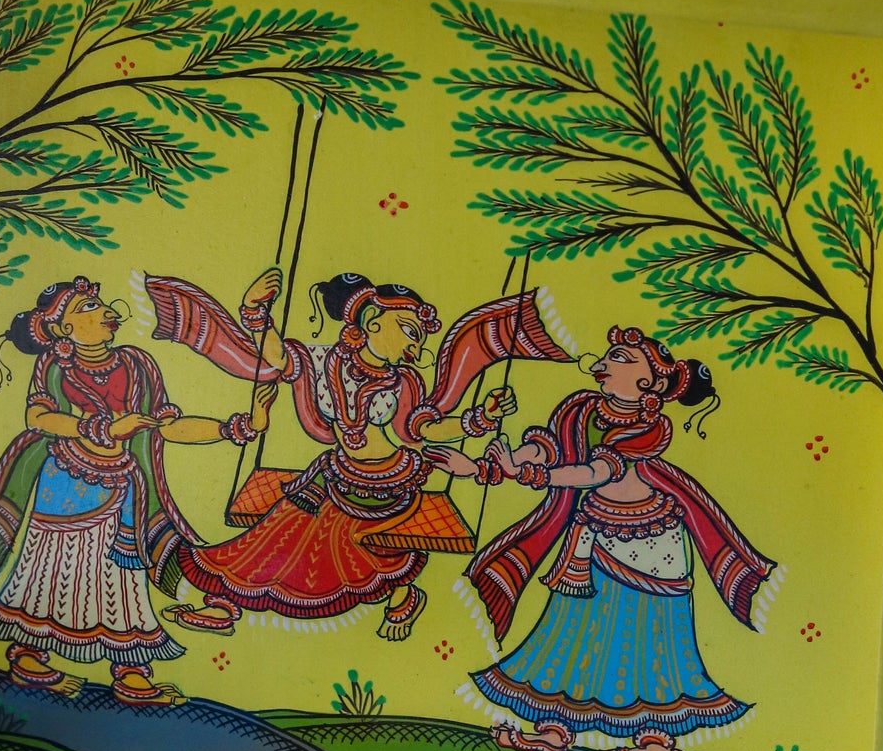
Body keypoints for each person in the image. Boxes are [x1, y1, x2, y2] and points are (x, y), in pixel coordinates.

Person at [142, 266, 566, 640]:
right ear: (375, 321)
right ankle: (225, 605)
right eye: (410, 332)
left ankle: (400, 591)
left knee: (340, 540)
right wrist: (257, 314)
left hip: (387, 480)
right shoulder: (321, 362)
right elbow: (273, 359)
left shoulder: (403, 383)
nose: (416, 349)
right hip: (333, 474)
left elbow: (424, 429)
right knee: (273, 529)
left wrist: (480, 418)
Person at [434, 326, 776, 751]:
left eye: (623, 357)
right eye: (612, 353)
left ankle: (655, 743)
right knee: (570, 630)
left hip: (649, 544)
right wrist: (502, 464)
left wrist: (532, 477)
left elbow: (596, 471)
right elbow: (550, 447)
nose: (609, 360)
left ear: (649, 384)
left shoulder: (650, 429)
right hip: (591, 534)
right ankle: (555, 729)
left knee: (644, 638)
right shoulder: (580, 407)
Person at [0, 277, 275, 704]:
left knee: (121, 578)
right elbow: (39, 417)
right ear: (63, 329)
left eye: (100, 303)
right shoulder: (57, 365)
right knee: (53, 568)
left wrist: (236, 427)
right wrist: (102, 428)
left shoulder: (138, 364)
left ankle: (130, 672)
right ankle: (30, 653)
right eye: (88, 308)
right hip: (65, 480)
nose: (106, 311)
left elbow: (167, 427)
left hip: (124, 482)